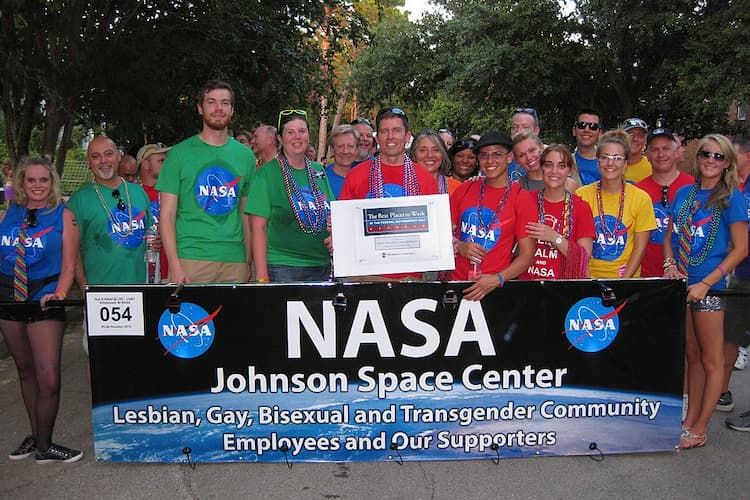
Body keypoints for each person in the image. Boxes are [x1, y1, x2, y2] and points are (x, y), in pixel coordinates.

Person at [663, 134, 748, 449]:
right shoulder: (684, 192)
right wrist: (670, 263)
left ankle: (699, 428)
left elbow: (740, 249)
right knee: (693, 356)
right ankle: (688, 421)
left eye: (718, 156)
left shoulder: (731, 197)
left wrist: (707, 282)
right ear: (697, 159)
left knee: (712, 360)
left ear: (727, 163)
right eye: (705, 155)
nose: (711, 161)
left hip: (710, 289)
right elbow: (671, 234)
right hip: (682, 285)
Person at [0, 157, 81, 463]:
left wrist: (59, 293)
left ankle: (45, 446)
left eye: (43, 180)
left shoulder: (64, 216)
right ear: (21, 182)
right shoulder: (10, 212)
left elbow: (70, 265)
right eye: (30, 180)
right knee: (25, 371)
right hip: (8, 297)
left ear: (52, 182)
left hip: (44, 296)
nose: (37, 186)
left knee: (48, 376)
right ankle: (37, 435)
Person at [156, 80, 255, 283]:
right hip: (191, 259)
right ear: (200, 108)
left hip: (234, 261)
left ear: (232, 109)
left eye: (225, 103)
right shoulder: (178, 155)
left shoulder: (245, 156)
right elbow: (166, 215)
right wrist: (174, 265)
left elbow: (246, 215)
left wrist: (247, 261)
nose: (219, 108)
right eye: (211, 102)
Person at [339, 107, 437, 281]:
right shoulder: (357, 174)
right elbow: (344, 225)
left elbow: (434, 232)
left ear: (407, 137)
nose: (390, 137)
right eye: (384, 131)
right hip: (367, 277)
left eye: (397, 130)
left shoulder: (425, 178)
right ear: (378, 138)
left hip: (411, 279)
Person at [246, 109, 333, 283]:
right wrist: (262, 277)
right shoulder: (266, 174)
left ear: (309, 135)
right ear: (280, 138)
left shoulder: (318, 171)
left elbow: (333, 212)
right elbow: (257, 229)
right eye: (290, 132)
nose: (297, 137)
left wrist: (335, 232)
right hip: (284, 267)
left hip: (321, 265)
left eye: (302, 131)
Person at [450, 131, 536, 300]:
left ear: (509, 157)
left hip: (493, 288)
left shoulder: (521, 197)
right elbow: (442, 234)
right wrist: (459, 246)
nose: (490, 161)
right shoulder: (465, 189)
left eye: (497, 154)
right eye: (484, 155)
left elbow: (527, 255)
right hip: (457, 284)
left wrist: (498, 279)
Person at [69, 136, 152, 286]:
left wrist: (155, 242)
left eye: (108, 154)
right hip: (100, 292)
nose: (103, 161)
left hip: (139, 288)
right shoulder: (79, 200)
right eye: (96, 156)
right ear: (89, 162)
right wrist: (84, 289)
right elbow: (72, 253)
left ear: (119, 156)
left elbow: (149, 235)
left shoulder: (139, 193)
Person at [576, 130, 656, 278]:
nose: (610, 163)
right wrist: (586, 280)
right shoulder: (581, 195)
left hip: (625, 280)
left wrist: (623, 283)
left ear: (625, 164)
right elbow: (576, 245)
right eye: (605, 157)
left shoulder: (641, 198)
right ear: (597, 161)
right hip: (587, 278)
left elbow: (640, 249)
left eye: (617, 158)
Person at [520, 145, 594, 280]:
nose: (554, 171)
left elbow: (584, 258)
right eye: (549, 165)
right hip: (527, 286)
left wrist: (555, 237)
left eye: (561, 166)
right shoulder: (524, 199)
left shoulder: (581, 207)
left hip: (563, 288)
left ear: (570, 171)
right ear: (541, 168)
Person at [717, 135, 750, 413]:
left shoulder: (739, 192)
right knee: (730, 336)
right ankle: (722, 392)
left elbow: (741, 243)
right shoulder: (725, 190)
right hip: (739, 274)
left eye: (723, 156)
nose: (714, 161)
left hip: (732, 271)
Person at [636, 128, 694, 278]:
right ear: (647, 155)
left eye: (666, 148)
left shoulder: (694, 187)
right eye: (654, 149)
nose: (660, 154)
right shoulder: (637, 191)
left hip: (688, 275)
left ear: (676, 152)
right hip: (646, 275)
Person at [136, 142, 171, 281]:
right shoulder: (132, 194)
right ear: (145, 164)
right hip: (140, 271)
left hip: (167, 271)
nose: (166, 164)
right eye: (161, 161)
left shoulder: (170, 192)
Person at [409, 130, 461, 195]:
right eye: (423, 150)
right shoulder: (402, 186)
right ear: (414, 155)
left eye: (436, 150)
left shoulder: (457, 188)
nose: (430, 155)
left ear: (443, 154)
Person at [325, 125, 359, 199]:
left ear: (357, 150)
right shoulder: (323, 180)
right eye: (340, 146)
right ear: (332, 150)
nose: (345, 151)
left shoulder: (363, 178)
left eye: (350, 146)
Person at [507, 107, 541, 181]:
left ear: (536, 130)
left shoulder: (549, 157)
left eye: (525, 127)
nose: (519, 131)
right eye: (514, 127)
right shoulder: (502, 159)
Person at [572, 109, 604, 185]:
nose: (586, 130)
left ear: (600, 133)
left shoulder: (609, 162)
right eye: (581, 125)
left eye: (593, 126)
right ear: (574, 131)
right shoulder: (565, 162)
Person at [622, 117, 653, 183]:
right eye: (630, 134)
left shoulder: (653, 167)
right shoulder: (611, 163)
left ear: (645, 141)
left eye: (640, 135)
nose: (635, 139)